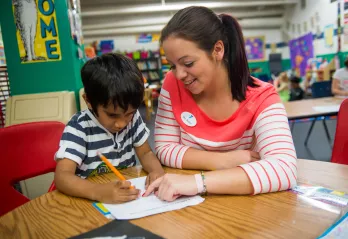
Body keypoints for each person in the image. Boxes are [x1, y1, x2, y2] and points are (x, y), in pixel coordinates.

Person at [143, 6, 297, 201]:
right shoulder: (172, 84)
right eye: (173, 65)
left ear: (217, 50)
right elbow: (165, 149)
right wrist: (223, 160)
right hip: (187, 205)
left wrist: (198, 182)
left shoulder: (262, 97)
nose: (179, 74)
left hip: (247, 207)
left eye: (188, 63)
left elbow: (284, 168)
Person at [55, 53, 164, 204]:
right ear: (89, 101)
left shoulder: (134, 119)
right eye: (112, 115)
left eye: (129, 113)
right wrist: (96, 192)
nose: (122, 123)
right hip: (89, 201)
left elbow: (145, 153)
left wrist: (156, 171)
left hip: (126, 195)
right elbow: (62, 177)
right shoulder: (79, 127)